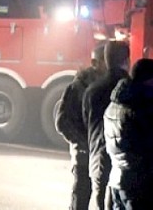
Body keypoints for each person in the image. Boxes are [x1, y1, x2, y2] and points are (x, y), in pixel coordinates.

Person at [104, 58, 153, 210]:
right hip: (141, 186)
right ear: (148, 81)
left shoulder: (114, 104)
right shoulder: (144, 108)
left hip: (117, 180)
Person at [55, 43, 107, 210]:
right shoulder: (77, 88)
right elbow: (62, 122)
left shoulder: (107, 86)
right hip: (84, 155)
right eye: (105, 61)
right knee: (81, 196)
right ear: (95, 63)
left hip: (100, 154)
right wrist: (83, 143)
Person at [82, 40, 130, 210]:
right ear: (127, 61)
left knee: (99, 203)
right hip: (123, 165)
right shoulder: (130, 88)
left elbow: (86, 122)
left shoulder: (91, 90)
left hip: (96, 159)